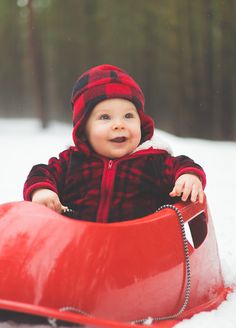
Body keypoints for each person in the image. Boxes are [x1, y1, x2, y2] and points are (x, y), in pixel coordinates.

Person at [23, 64, 206, 223]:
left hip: (141, 251)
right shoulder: (72, 161)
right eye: (105, 117)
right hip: (80, 248)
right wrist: (42, 191)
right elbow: (41, 173)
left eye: (128, 116)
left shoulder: (154, 160)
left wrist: (188, 177)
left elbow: (182, 165)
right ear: (83, 129)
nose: (119, 124)